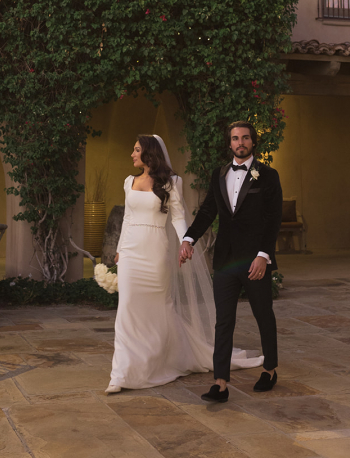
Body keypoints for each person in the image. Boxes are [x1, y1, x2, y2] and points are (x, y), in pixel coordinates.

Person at [105, 134, 261, 393]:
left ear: (149, 153)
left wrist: (185, 242)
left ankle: (162, 358)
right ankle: (121, 374)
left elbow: (178, 217)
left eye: (136, 150)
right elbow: (127, 218)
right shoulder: (128, 181)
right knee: (126, 309)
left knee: (159, 309)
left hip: (155, 252)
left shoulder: (172, 183)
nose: (132, 154)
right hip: (131, 252)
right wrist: (120, 250)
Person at [180, 121, 283, 402]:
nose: (241, 143)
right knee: (223, 321)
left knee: (263, 315)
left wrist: (263, 255)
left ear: (253, 142)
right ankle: (221, 383)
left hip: (254, 260)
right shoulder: (219, 174)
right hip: (225, 260)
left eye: (245, 138)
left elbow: (273, 218)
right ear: (229, 144)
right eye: (236, 138)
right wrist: (188, 239)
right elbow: (207, 211)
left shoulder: (268, 175)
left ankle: (270, 369)